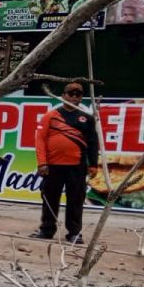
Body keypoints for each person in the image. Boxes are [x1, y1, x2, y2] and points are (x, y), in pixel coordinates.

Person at [30, 81, 99, 244]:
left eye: (78, 94)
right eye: (71, 94)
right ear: (63, 96)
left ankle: (74, 233)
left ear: (82, 98)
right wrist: (42, 163)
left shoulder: (87, 119)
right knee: (50, 199)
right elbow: (40, 140)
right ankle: (46, 230)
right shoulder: (50, 116)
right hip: (53, 166)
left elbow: (93, 143)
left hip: (77, 166)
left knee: (75, 200)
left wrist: (94, 164)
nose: (74, 97)